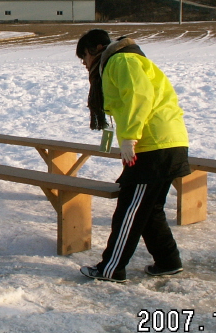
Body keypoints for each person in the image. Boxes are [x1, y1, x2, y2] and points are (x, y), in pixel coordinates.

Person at [76, 29, 190, 282]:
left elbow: (138, 98)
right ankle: (168, 261)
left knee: (129, 210)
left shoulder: (121, 60)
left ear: (96, 48)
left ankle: (111, 268)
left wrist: (130, 136)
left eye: (84, 56)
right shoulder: (122, 60)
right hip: (163, 142)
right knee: (148, 210)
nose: (84, 64)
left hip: (154, 145)